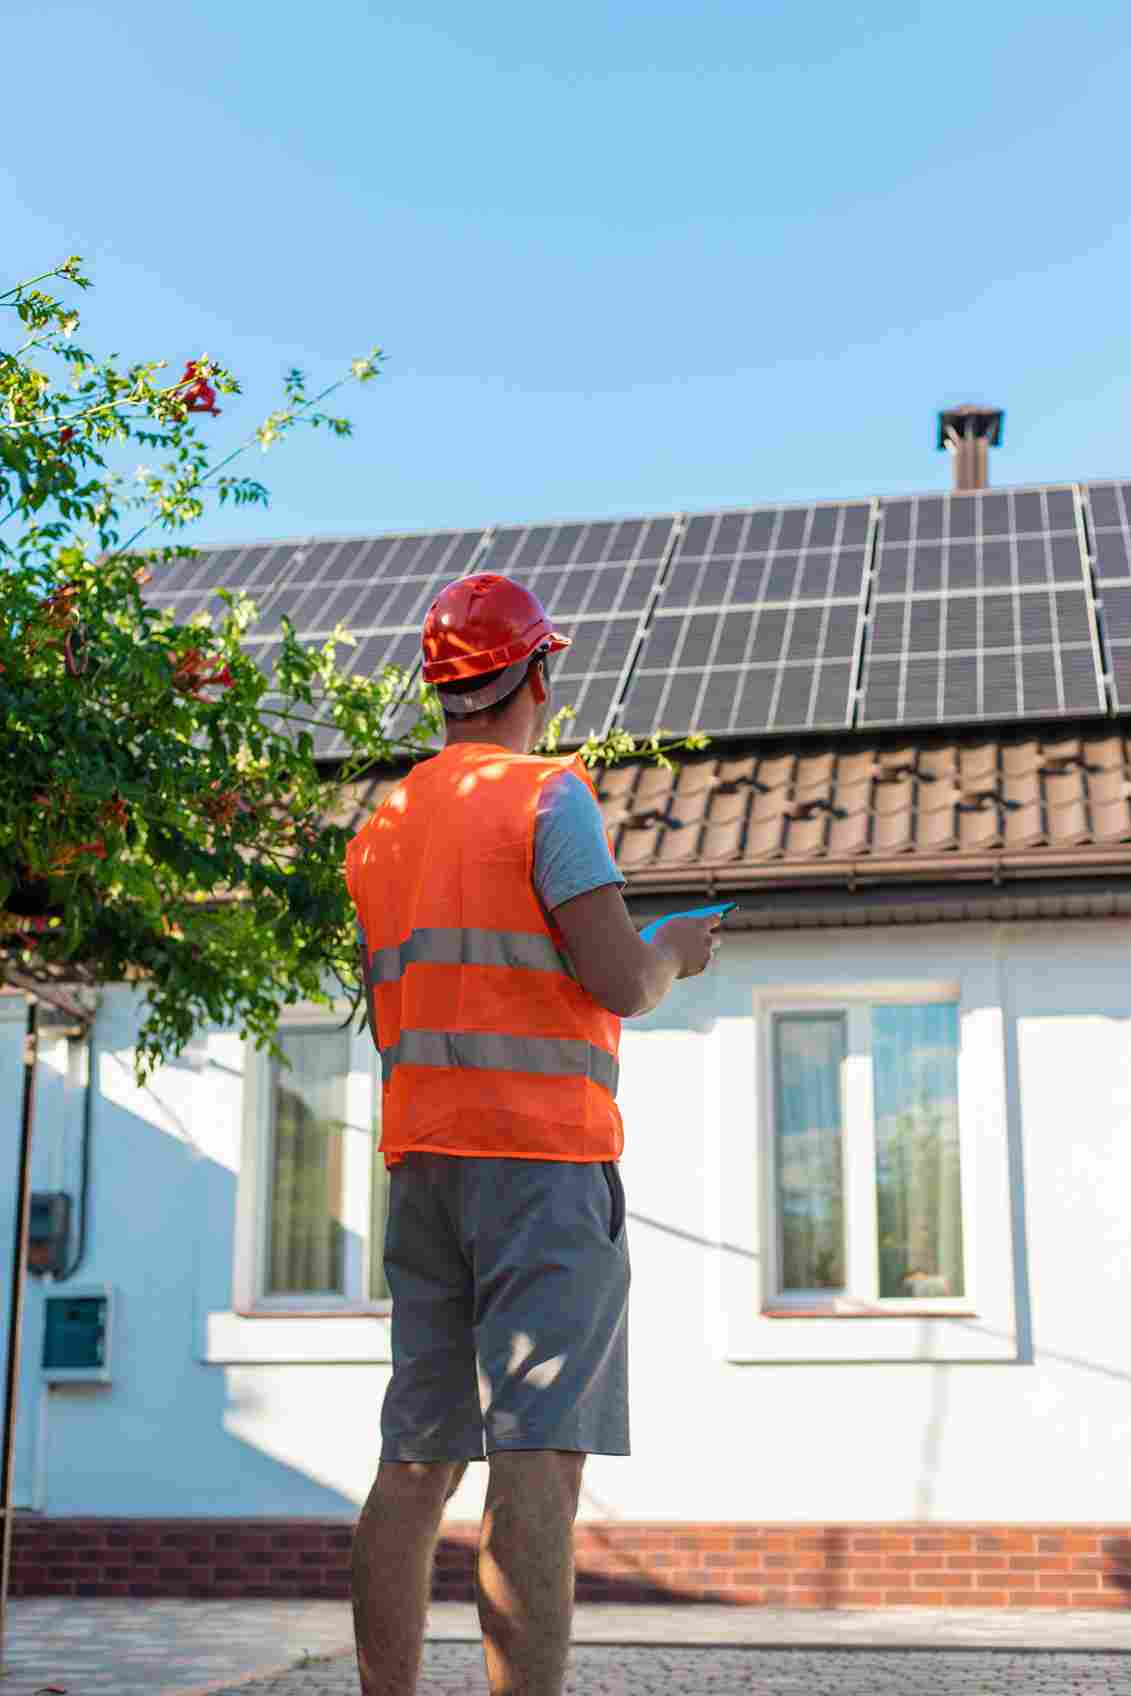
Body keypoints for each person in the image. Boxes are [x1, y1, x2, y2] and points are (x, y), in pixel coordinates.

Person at [344, 572, 724, 1696]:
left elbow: (398, 1013)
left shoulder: (384, 827)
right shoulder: (546, 799)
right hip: (545, 1167)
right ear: (540, 674)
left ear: (441, 689)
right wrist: (674, 950)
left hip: (424, 1164)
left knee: (417, 1456)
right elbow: (618, 976)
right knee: (536, 1462)